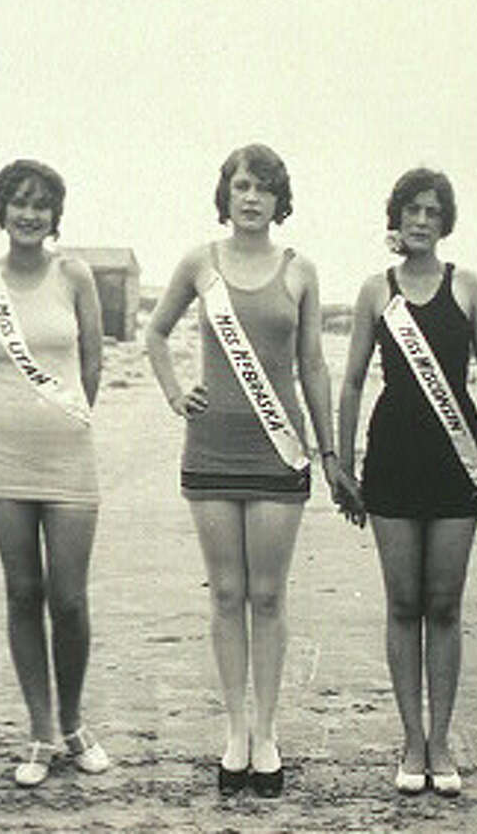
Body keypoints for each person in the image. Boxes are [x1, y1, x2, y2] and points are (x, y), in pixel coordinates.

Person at [145, 144, 348, 797]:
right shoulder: (199, 263)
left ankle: (267, 730)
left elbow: (313, 364)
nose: (252, 197)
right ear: (226, 194)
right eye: (241, 185)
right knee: (226, 593)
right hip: (211, 449)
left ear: (279, 198)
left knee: (268, 594)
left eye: (264, 187)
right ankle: (235, 729)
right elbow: (155, 333)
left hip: (278, 450)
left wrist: (330, 448)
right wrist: (177, 393)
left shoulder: (300, 271)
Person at [335, 168, 477, 796]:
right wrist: (341, 463)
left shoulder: (469, 288)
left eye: (433, 211)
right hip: (392, 457)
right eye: (411, 210)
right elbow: (352, 380)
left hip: (457, 460)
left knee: (445, 603)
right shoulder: (374, 292)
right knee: (404, 603)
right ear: (396, 217)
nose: (421, 220)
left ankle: (442, 740)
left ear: (445, 221)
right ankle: (413, 738)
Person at [0, 159, 108, 787]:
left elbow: (95, 363)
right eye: (19, 202)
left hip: (69, 453)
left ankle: (74, 724)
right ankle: (41, 731)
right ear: (2, 210)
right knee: (23, 592)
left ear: (55, 214)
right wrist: (12, 417)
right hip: (6, 455)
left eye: (41, 204)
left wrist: (64, 417)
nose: (30, 214)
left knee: (69, 599)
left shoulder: (75, 275)